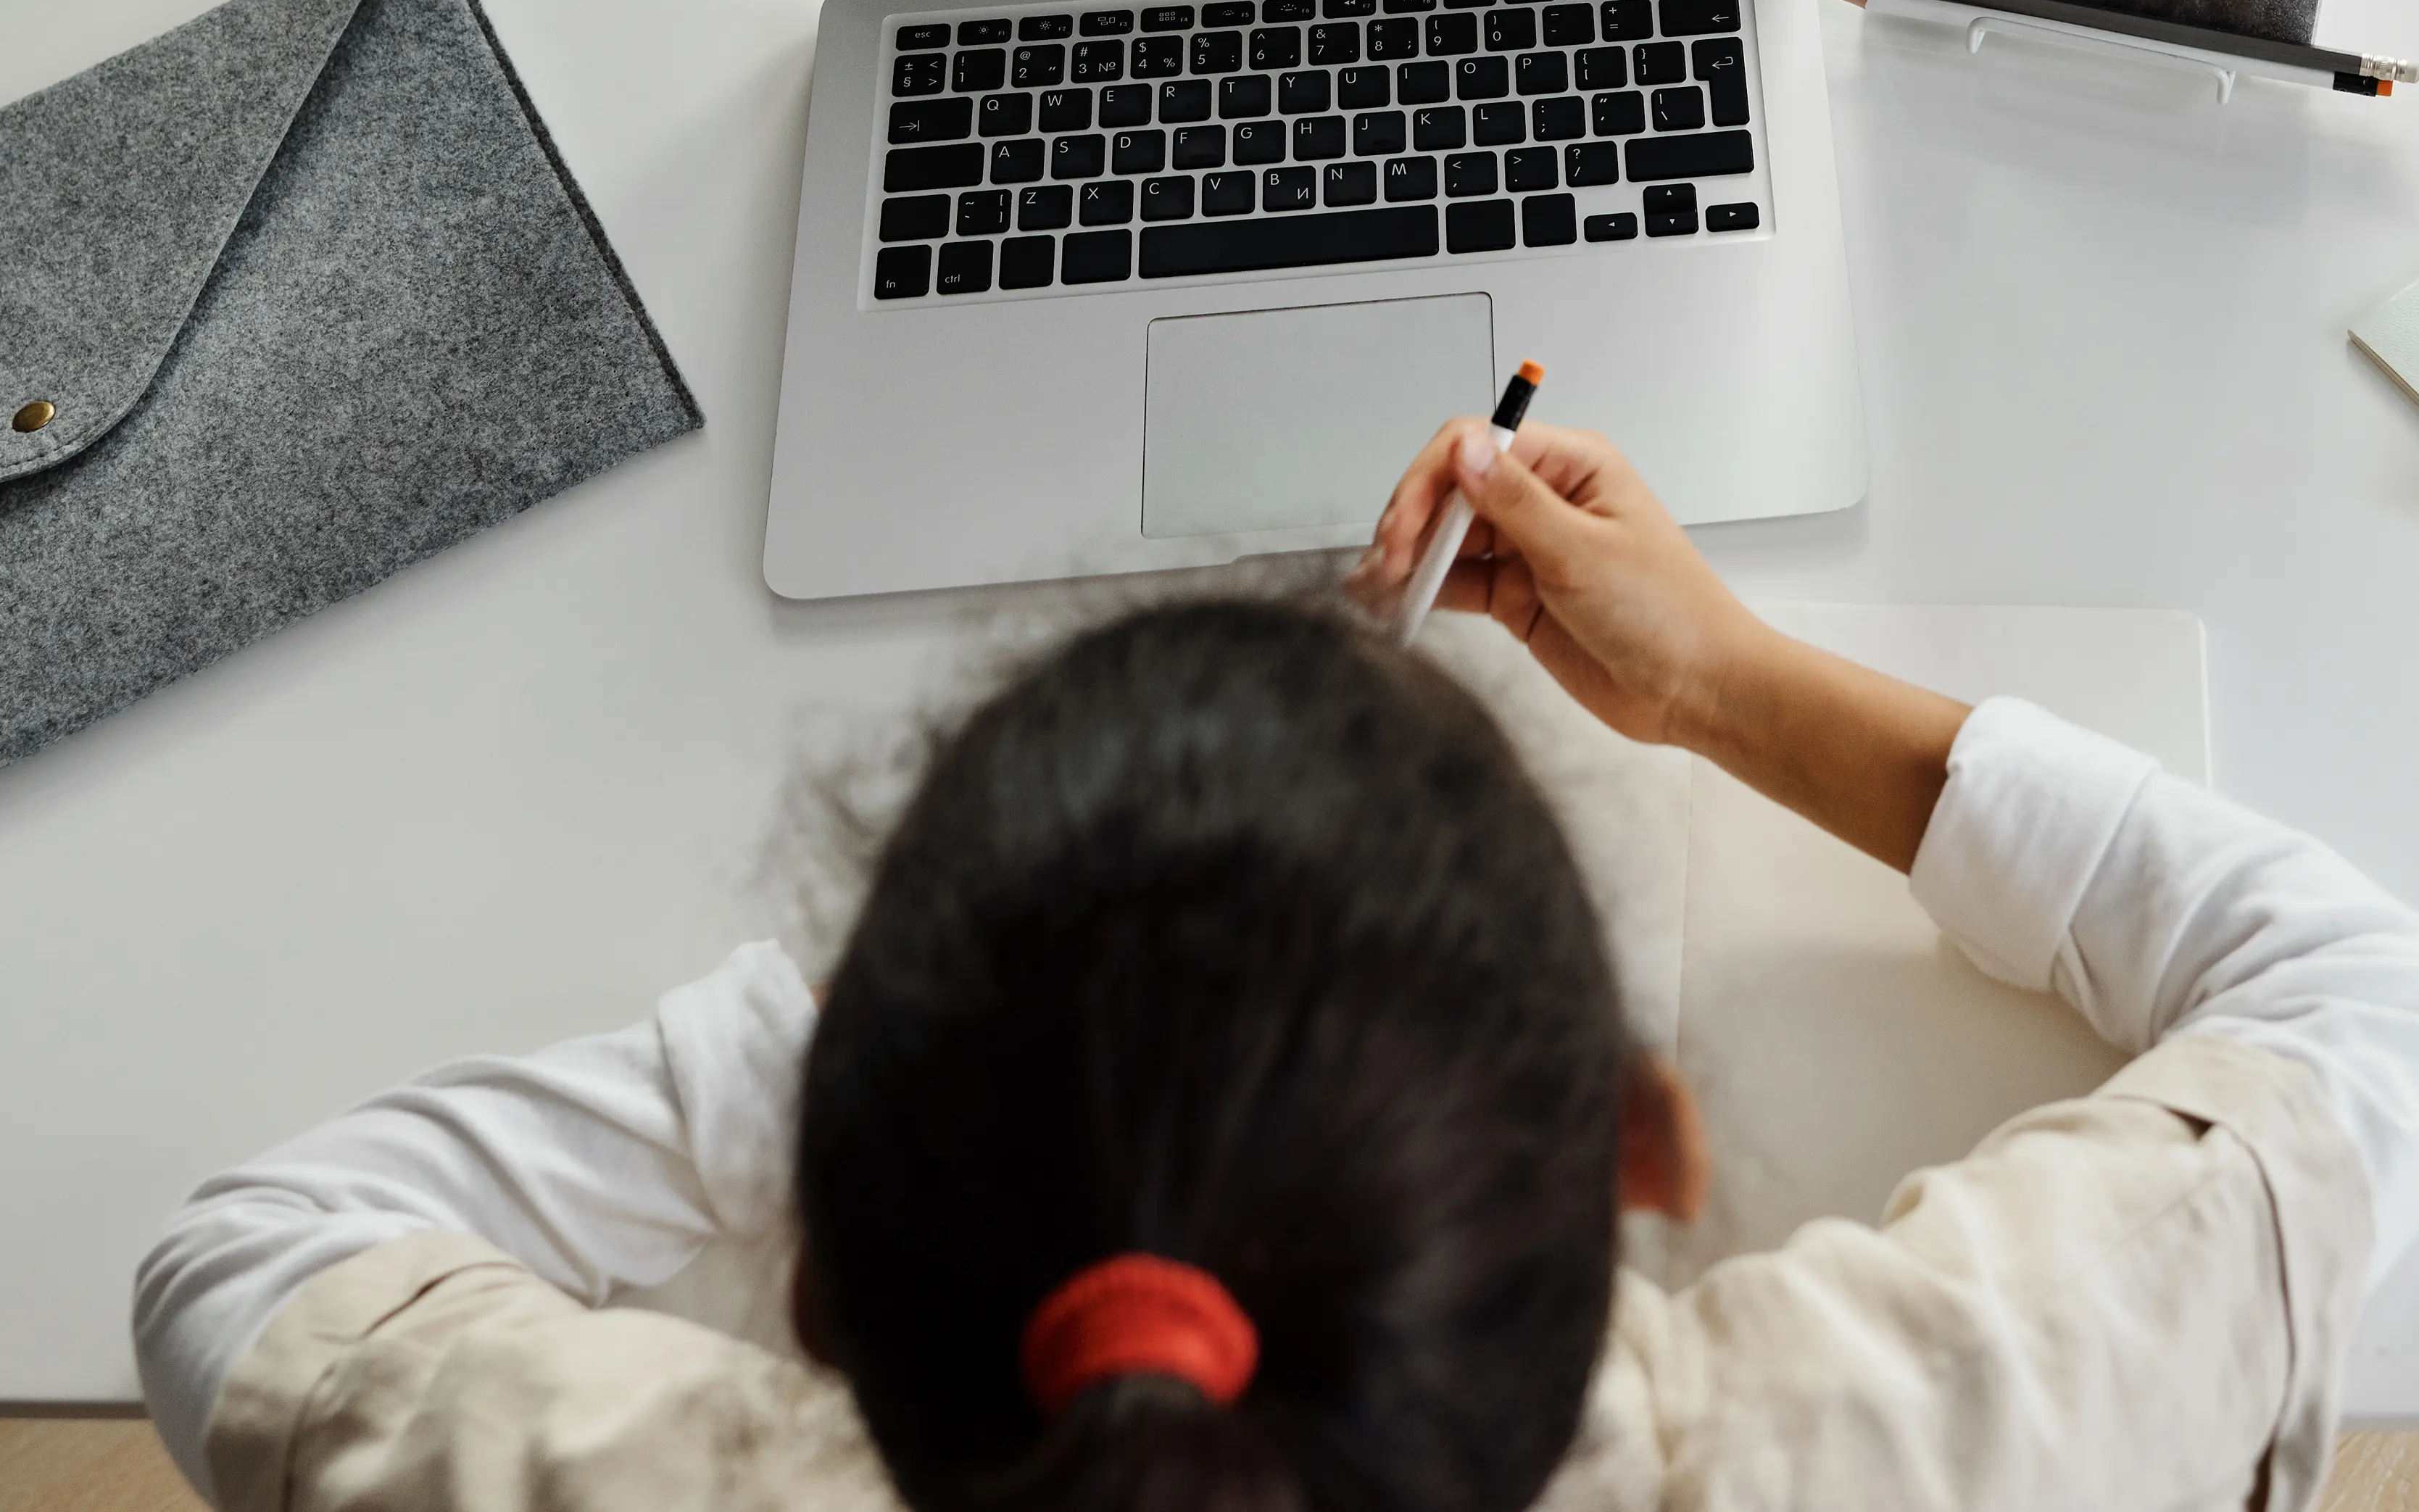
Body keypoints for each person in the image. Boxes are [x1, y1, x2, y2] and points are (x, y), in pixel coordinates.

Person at [137, 417, 2419, 1512]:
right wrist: (1722, 683)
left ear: (826, 1284)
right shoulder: (1915, 1444)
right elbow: (2352, 997)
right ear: (1644, 1147)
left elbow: (246, 1265)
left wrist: (916, 1033)